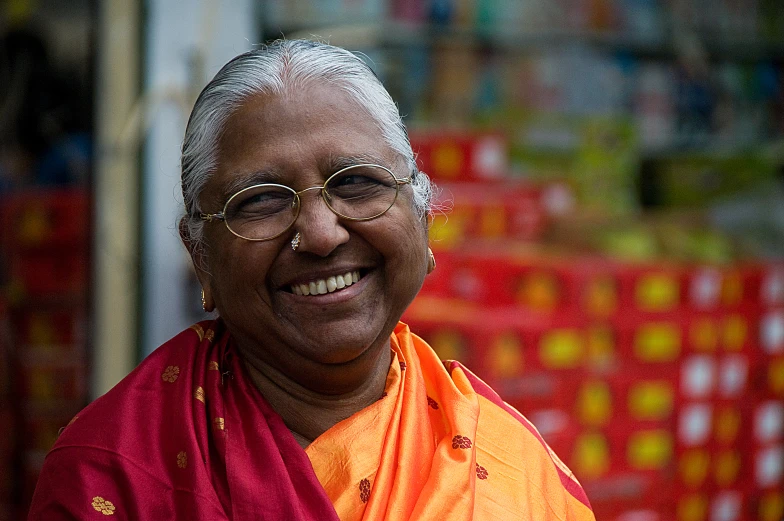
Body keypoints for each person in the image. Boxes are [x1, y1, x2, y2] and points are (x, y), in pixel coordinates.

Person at [29, 40, 595, 520]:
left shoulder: (513, 472)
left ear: (422, 223)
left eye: (357, 184)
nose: (321, 235)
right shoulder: (114, 471)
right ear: (201, 258)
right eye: (262, 202)